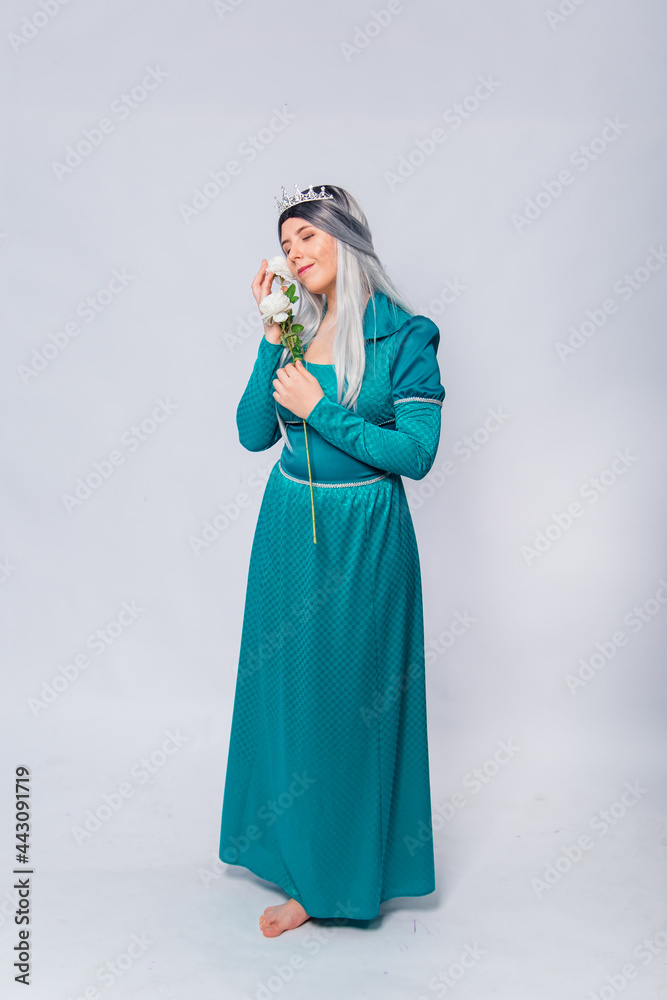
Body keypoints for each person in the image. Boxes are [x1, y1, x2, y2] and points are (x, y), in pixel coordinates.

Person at [218, 184, 445, 938]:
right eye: (286, 246)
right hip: (286, 528)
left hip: (364, 535)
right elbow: (254, 434)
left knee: (349, 704)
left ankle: (337, 883)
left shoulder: (405, 337)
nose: (295, 255)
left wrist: (323, 411)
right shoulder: (293, 335)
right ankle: (299, 858)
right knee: (289, 699)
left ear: (346, 241)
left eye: (307, 238)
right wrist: (268, 330)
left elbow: (414, 454)